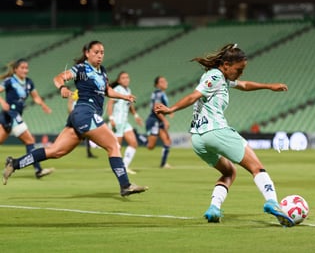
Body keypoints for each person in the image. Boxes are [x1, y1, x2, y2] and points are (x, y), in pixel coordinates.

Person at [154, 43, 295, 227]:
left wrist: (269, 86)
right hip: (216, 131)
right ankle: (272, 202)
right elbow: (194, 95)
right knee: (257, 167)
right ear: (226, 64)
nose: (240, 73)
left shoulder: (223, 78)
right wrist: (171, 108)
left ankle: (214, 208)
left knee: (229, 172)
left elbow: (244, 85)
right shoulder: (215, 76)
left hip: (198, 140)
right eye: (239, 69)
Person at [3, 40, 148, 197]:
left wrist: (124, 96)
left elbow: (107, 90)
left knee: (55, 151)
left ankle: (15, 163)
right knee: (113, 144)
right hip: (86, 113)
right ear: (87, 53)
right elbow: (58, 78)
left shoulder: (102, 71)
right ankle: (125, 185)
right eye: (96, 52)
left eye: (102, 52)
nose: (100, 55)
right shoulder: (81, 69)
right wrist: (63, 87)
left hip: (78, 116)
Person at [0, 58, 54, 179]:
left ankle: (14, 163)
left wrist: (43, 105)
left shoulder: (29, 82)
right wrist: (2, 102)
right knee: (30, 141)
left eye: (26, 68)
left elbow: (35, 97)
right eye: (22, 68)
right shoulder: (10, 81)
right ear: (15, 69)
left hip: (12, 117)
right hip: (11, 115)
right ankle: (38, 170)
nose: (25, 70)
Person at [107, 71, 143, 175]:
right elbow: (110, 103)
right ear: (119, 80)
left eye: (127, 77)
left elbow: (130, 105)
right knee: (117, 147)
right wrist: (111, 118)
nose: (126, 79)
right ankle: (117, 168)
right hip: (117, 121)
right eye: (123, 78)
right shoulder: (117, 89)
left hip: (125, 121)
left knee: (133, 143)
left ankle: (125, 166)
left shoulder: (128, 90)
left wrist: (136, 116)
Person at [144, 76, 172, 168]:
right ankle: (137, 136)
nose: (165, 82)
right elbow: (156, 108)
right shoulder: (158, 94)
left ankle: (163, 164)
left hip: (159, 120)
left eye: (165, 80)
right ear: (157, 85)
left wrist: (169, 111)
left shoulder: (162, 93)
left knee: (167, 141)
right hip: (154, 120)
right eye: (161, 81)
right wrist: (165, 120)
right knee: (150, 146)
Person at [67, 89, 97, 158]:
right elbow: (71, 102)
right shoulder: (77, 92)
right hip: (77, 116)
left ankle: (89, 152)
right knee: (79, 134)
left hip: (81, 116)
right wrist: (71, 113)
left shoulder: (84, 91)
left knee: (86, 135)